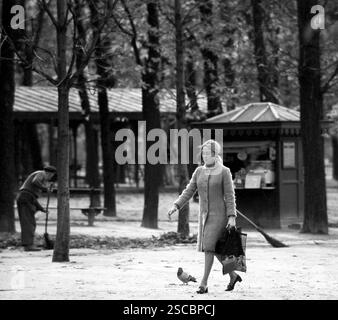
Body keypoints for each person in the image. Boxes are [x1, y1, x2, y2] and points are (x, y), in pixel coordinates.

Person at [167, 140, 242, 293]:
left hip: (220, 216)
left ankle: (204, 283)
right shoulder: (199, 171)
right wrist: (176, 205)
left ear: (216, 155)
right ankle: (233, 276)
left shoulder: (224, 171)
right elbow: (189, 191)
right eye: (204, 153)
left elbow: (230, 195)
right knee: (217, 251)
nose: (205, 156)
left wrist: (232, 216)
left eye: (208, 153)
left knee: (208, 248)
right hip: (204, 218)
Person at [16, 165, 57, 251]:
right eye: (51, 175)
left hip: (27, 198)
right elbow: (35, 181)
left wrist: (42, 209)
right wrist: (45, 188)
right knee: (28, 223)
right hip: (25, 198)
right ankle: (28, 246)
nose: (50, 178)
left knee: (31, 223)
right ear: (49, 173)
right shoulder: (41, 173)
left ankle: (29, 244)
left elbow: (33, 198)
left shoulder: (40, 178)